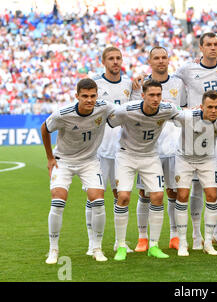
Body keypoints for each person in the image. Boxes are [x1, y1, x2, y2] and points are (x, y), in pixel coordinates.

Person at [41, 78, 117, 264]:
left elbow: (124, 111)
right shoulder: (62, 114)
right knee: (58, 201)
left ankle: (96, 248)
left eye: (92, 96)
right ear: (77, 96)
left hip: (89, 161)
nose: (89, 100)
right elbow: (45, 128)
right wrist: (50, 158)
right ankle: (53, 249)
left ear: (97, 95)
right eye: (84, 96)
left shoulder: (104, 108)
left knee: (98, 200)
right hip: (63, 161)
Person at [174, 32, 217, 250]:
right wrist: (185, 109)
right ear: (200, 47)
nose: (213, 48)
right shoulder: (186, 69)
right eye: (208, 44)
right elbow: (169, 85)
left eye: (216, 44)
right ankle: (194, 234)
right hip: (194, 131)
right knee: (195, 190)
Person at [108, 80, 181, 261]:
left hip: (150, 157)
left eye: (158, 95)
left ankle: (154, 245)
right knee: (123, 197)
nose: (155, 98)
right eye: (151, 95)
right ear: (143, 95)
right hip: (126, 156)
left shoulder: (167, 109)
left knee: (157, 196)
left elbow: (183, 116)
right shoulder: (127, 109)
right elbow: (109, 122)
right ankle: (121, 245)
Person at [85, 46, 140, 256]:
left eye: (118, 58)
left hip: (122, 150)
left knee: (121, 196)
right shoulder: (95, 84)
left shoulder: (129, 83)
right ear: (103, 61)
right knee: (94, 196)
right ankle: (93, 243)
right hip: (98, 150)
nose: (115, 62)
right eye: (111, 58)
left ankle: (120, 242)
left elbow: (135, 109)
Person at [134, 46, 187, 253]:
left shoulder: (178, 83)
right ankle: (142, 237)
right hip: (149, 148)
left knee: (173, 192)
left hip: (174, 146)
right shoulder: (140, 83)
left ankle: (174, 236)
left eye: (164, 57)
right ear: (150, 61)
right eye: (156, 58)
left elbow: (183, 110)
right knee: (145, 193)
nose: (161, 61)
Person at [173, 90, 217, 256]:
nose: (213, 111)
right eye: (209, 107)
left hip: (207, 159)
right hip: (184, 158)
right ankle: (184, 242)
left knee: (212, 196)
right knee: (183, 196)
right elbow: (171, 114)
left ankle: (208, 242)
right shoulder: (187, 116)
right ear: (201, 107)